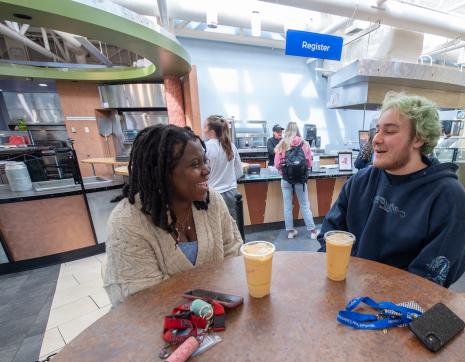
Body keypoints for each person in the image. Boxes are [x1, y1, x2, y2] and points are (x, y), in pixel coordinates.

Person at [318, 92, 465, 288]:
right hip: (348, 287)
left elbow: (431, 278)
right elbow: (330, 232)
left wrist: (374, 297)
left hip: (400, 308)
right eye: (377, 130)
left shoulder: (449, 198)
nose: (376, 139)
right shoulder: (361, 180)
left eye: (389, 131)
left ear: (418, 139)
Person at [104, 124, 242, 306]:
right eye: (195, 164)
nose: (207, 171)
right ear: (161, 173)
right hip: (159, 325)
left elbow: (233, 250)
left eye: (204, 160)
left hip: (216, 313)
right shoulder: (128, 222)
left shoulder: (211, 201)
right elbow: (143, 300)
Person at [274, 122, 319, 240]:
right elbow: (309, 163)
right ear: (297, 130)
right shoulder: (305, 144)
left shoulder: (282, 144)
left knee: (287, 206)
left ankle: (290, 231)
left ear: (287, 131)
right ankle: (313, 231)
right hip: (301, 179)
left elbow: (277, 164)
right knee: (305, 205)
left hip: (285, 178)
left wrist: (284, 169)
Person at [202, 115, 243, 221]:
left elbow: (202, 173)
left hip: (212, 193)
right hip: (231, 193)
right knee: (233, 226)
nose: (203, 130)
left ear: (212, 132)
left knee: (216, 227)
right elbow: (239, 172)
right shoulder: (231, 146)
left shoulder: (205, 148)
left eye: (205, 127)